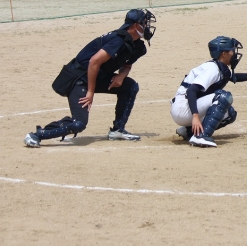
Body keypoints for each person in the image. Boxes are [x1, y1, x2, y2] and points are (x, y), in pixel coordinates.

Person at [24, 9, 156, 148]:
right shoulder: (118, 40)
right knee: (79, 123)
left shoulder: (137, 45)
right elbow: (94, 62)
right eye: (144, 23)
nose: (147, 27)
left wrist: (121, 76)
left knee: (130, 86)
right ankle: (37, 135)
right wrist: (90, 92)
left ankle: (118, 130)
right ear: (135, 25)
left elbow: (127, 64)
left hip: (96, 77)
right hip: (79, 79)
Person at [170, 36, 247, 148]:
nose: (234, 54)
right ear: (224, 54)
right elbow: (191, 90)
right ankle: (201, 136)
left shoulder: (219, 67)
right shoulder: (212, 69)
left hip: (187, 107)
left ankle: (189, 131)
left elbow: (234, 77)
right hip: (182, 108)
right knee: (223, 97)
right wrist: (195, 116)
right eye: (232, 51)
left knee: (229, 114)